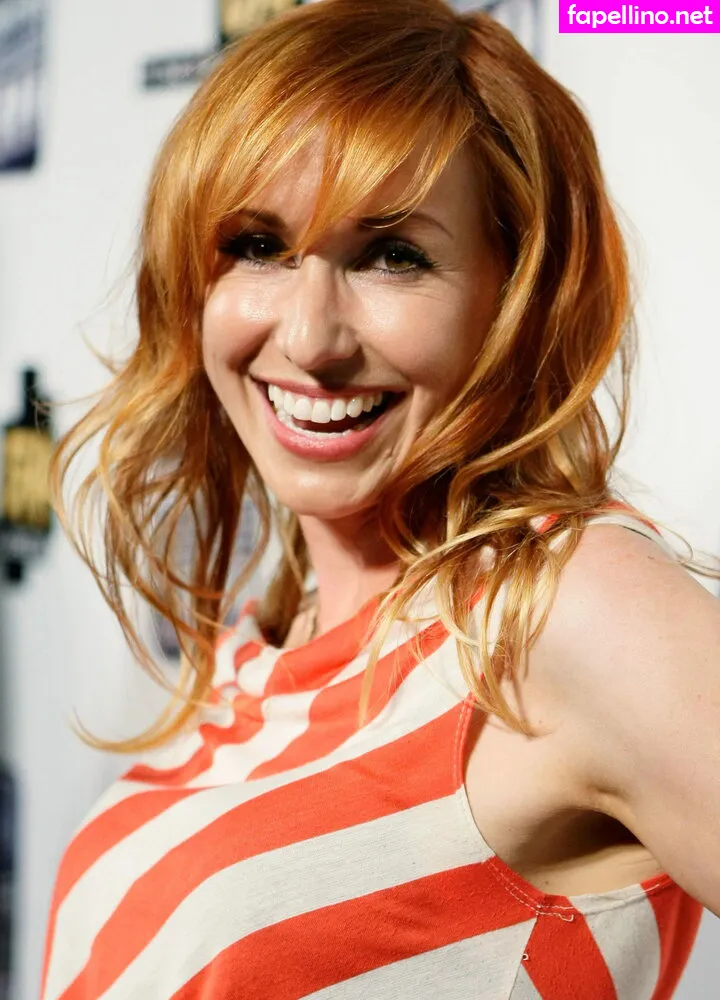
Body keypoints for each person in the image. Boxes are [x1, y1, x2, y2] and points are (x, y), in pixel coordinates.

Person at [40, 0, 720, 997]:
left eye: (394, 255)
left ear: (516, 297)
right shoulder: (265, 640)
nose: (310, 338)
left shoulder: (559, 609)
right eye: (258, 245)